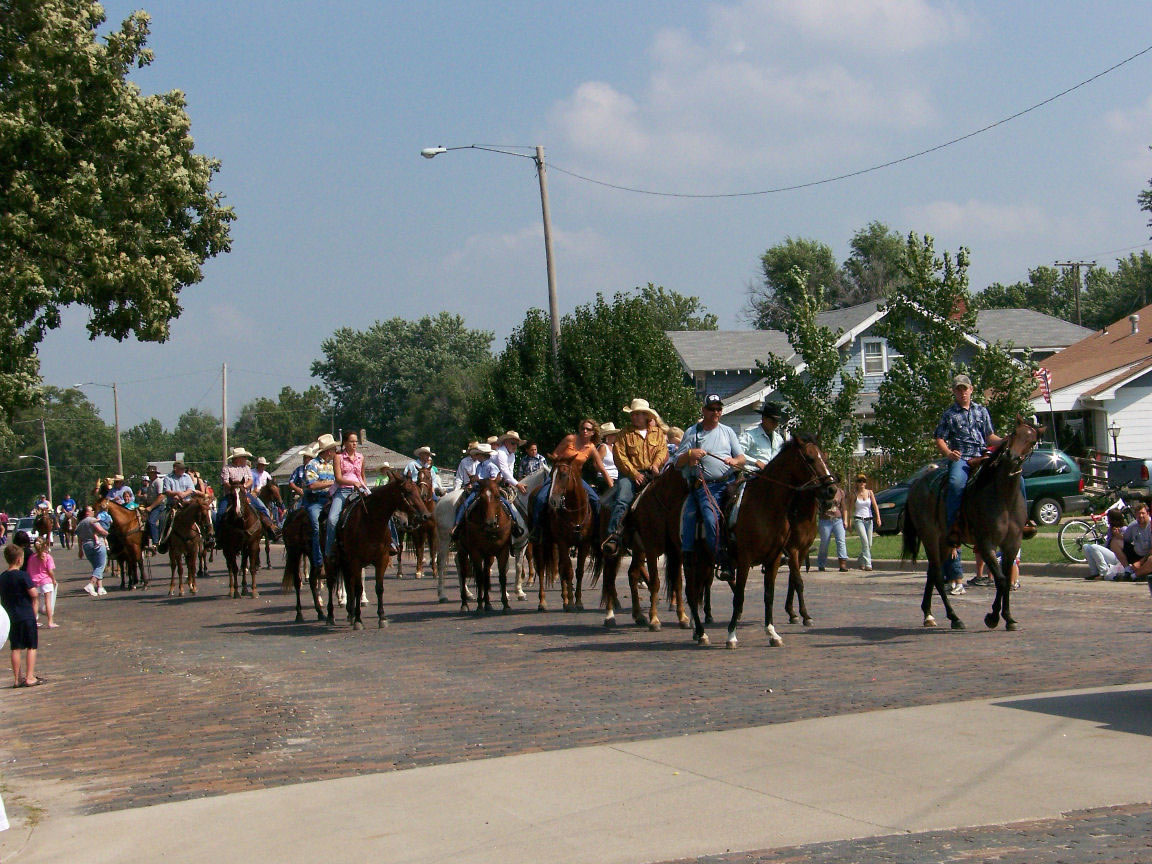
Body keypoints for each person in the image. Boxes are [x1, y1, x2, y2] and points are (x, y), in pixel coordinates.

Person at [934, 373, 1034, 547]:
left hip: (983, 455)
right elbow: (939, 438)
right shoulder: (949, 414)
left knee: (1018, 478)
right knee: (956, 483)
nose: (962, 393)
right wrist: (949, 453)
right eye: (958, 390)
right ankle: (954, 526)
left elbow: (989, 437)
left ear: (971, 390)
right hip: (962, 458)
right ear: (954, 392)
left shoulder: (981, 410)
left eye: (965, 389)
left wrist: (1003, 441)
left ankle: (1023, 520)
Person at [675, 394, 745, 581]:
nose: (716, 412)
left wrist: (735, 461)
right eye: (711, 409)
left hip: (731, 483)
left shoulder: (728, 431)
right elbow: (677, 462)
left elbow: (742, 458)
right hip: (707, 486)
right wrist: (690, 453)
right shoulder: (693, 432)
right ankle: (721, 558)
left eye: (718, 409)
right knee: (710, 518)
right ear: (704, 410)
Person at [603, 399, 667, 556]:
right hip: (629, 475)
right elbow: (620, 456)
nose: (634, 417)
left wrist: (656, 464)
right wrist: (634, 473)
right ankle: (614, 535)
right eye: (633, 414)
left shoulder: (658, 433)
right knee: (622, 499)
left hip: (652, 473)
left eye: (637, 414)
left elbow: (662, 451)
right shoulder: (624, 434)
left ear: (646, 416)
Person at [531, 420, 614, 539]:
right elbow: (555, 454)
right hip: (559, 476)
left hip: (576, 479)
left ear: (593, 432)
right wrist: (560, 462)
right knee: (540, 498)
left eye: (588, 429)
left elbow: (602, 469)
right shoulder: (570, 439)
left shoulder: (591, 448)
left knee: (596, 501)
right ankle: (536, 530)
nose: (584, 431)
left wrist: (612, 487)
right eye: (583, 428)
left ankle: (595, 534)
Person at [453, 443, 523, 537]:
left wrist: (479, 480)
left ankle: (515, 523)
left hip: (490, 490)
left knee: (506, 504)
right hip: (477, 489)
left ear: (484, 455)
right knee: (465, 504)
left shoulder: (491, 466)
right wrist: (474, 480)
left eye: (478, 454)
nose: (477, 456)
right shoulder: (479, 466)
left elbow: (494, 479)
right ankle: (457, 525)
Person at [325, 430, 372, 567]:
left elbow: (362, 475)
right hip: (343, 490)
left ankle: (391, 543)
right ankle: (329, 551)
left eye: (356, 441)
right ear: (345, 443)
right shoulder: (338, 457)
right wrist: (353, 483)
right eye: (351, 441)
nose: (354, 444)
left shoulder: (361, 457)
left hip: (360, 489)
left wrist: (364, 487)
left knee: (379, 509)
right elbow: (338, 478)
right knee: (332, 519)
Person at [1, 543, 42, 687]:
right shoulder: (22, 575)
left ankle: (17, 679)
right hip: (26, 615)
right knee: (31, 646)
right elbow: (33, 594)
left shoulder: (2, 577)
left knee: (15, 647)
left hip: (11, 617)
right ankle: (30, 676)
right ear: (19, 559)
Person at [217, 447, 277, 536]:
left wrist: (243, 487)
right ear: (238, 458)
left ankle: (271, 529)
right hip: (231, 495)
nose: (246, 459)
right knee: (220, 513)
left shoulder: (246, 468)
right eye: (244, 457)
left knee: (262, 509)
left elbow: (250, 480)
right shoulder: (227, 468)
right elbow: (225, 482)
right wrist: (234, 489)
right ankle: (218, 535)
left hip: (245, 494)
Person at [303, 434, 338, 574]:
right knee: (317, 527)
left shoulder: (332, 465)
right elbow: (311, 485)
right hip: (316, 501)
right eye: (334, 449)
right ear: (328, 451)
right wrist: (332, 482)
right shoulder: (312, 464)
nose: (336, 452)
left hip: (331, 499)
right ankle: (319, 563)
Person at [157, 461, 197, 554]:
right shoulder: (168, 478)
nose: (183, 470)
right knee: (163, 518)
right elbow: (167, 491)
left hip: (187, 504)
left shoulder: (187, 477)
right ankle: (163, 541)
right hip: (173, 505)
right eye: (181, 469)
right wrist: (176, 493)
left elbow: (191, 489)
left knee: (203, 514)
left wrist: (183, 494)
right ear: (175, 468)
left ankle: (207, 538)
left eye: (184, 469)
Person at [1083, 509, 1129, 581]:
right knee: (1086, 547)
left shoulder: (1124, 529)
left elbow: (1127, 543)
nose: (1108, 520)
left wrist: (1118, 535)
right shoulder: (1110, 529)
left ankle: (1104, 573)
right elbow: (1107, 543)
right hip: (1110, 553)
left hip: (1118, 557)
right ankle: (1095, 573)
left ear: (1114, 519)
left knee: (1094, 547)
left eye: (1109, 518)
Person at [739, 402, 786, 470]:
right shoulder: (749, 436)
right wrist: (756, 462)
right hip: (752, 473)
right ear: (763, 419)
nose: (775, 424)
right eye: (772, 421)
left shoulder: (779, 439)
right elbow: (738, 453)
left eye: (777, 422)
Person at [76, 505, 110, 597]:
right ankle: (91, 584)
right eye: (92, 510)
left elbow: (79, 538)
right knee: (101, 566)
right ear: (88, 512)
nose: (94, 511)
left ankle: (100, 587)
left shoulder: (80, 523)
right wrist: (106, 533)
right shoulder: (92, 520)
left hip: (86, 546)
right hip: (97, 544)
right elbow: (100, 530)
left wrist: (80, 550)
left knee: (96, 567)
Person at [852, 474, 882, 571]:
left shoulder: (870, 492)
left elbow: (875, 506)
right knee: (865, 542)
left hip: (869, 520)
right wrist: (847, 521)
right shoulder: (854, 494)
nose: (862, 483)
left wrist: (878, 518)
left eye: (863, 481)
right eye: (859, 481)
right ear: (857, 483)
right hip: (859, 519)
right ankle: (868, 564)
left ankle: (861, 560)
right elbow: (849, 508)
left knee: (869, 544)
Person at [816, 485, 850, 572]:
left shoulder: (840, 492)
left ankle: (842, 564)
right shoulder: (823, 491)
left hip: (838, 520)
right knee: (824, 543)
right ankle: (821, 564)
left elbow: (844, 507)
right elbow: (818, 505)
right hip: (825, 520)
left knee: (841, 541)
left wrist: (845, 520)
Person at [27, 537, 58, 628]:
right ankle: (50, 622)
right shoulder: (47, 557)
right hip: (46, 580)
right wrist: (53, 579)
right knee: (48, 601)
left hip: (34, 581)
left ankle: (34, 622)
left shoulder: (32, 557)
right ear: (45, 545)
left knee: (35, 602)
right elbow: (50, 571)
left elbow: (29, 571)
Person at [1120, 502, 1152, 581]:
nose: (1140, 516)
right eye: (1138, 514)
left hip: (1148, 557)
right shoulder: (1132, 526)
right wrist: (1118, 535)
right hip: (1137, 555)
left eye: (1143, 513)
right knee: (1115, 541)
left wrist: (1140, 562)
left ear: (1148, 513)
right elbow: (1125, 539)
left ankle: (1133, 576)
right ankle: (1127, 570)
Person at [140, 465, 165, 549]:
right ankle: (146, 540)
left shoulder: (158, 482)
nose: (149, 474)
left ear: (154, 473)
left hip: (158, 506)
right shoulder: (151, 482)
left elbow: (161, 496)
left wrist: (151, 507)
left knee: (152, 521)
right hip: (150, 504)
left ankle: (156, 541)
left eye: (150, 473)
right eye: (148, 473)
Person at [598, 423, 620, 488]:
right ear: (607, 436)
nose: (615, 436)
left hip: (616, 477)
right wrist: (607, 477)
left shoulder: (614, 447)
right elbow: (596, 464)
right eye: (613, 434)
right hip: (605, 478)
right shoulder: (603, 447)